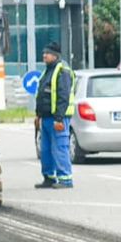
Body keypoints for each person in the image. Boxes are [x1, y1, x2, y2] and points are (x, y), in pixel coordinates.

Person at [34, 40, 77, 189]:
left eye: (47, 53)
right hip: (46, 118)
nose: (44, 55)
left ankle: (65, 179)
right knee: (45, 150)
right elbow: (42, 95)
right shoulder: (47, 70)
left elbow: (63, 97)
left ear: (55, 55)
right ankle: (49, 177)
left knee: (59, 148)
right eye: (44, 53)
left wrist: (58, 118)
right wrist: (38, 115)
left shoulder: (62, 71)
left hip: (57, 119)